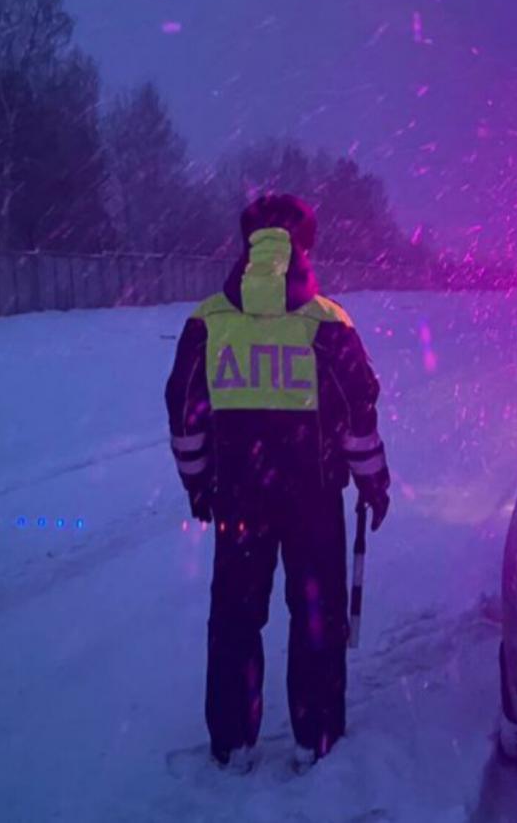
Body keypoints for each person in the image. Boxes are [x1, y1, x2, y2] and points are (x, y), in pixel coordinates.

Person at [164, 194, 391, 772]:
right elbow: (357, 411)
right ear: (303, 248)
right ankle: (314, 736)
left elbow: (184, 410)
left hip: (238, 498)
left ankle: (233, 740)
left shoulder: (208, 321)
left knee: (237, 617)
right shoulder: (327, 322)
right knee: (315, 615)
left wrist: (199, 483)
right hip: (314, 499)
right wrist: (373, 481)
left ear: (247, 247)